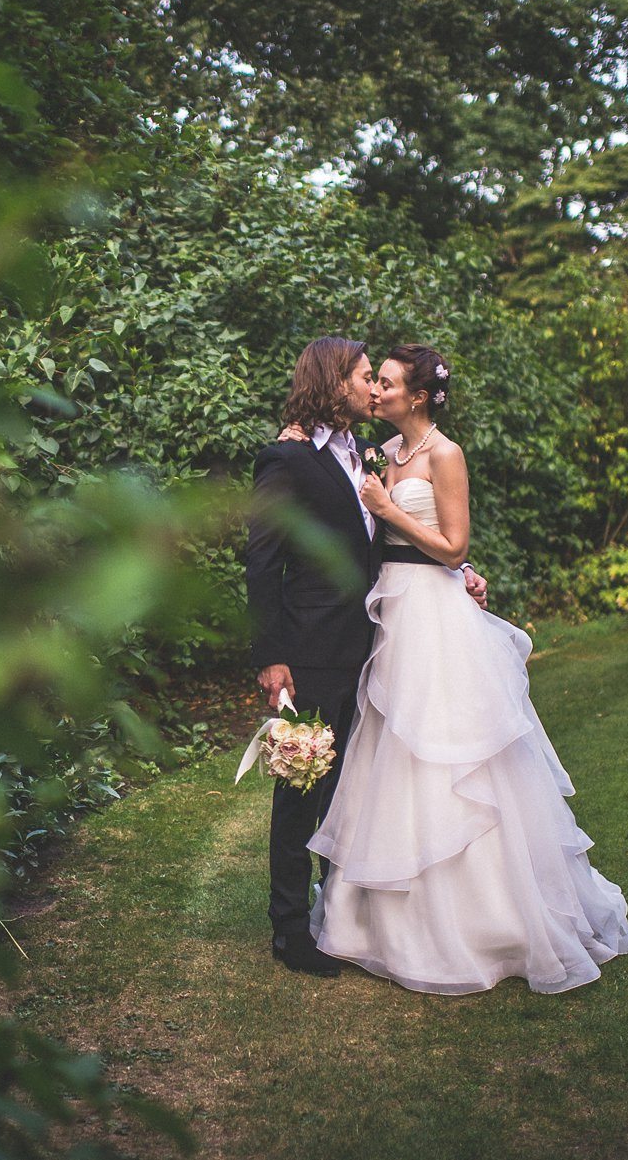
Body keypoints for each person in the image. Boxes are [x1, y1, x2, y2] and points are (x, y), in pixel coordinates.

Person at [302, 343, 628, 993]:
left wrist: (394, 513)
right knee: (388, 752)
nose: (378, 392)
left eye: (390, 383)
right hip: (390, 614)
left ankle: (486, 919)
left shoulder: (444, 454)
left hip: (435, 619)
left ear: (420, 395)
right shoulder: (382, 453)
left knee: (452, 756)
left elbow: (455, 543)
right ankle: (372, 919)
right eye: (378, 383)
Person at [244, 337, 488, 975]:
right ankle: (290, 932)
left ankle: (343, 917)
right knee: (302, 789)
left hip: (375, 640)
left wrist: (457, 572)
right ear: (335, 384)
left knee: (354, 790)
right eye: (362, 376)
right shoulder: (285, 460)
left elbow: (385, 542)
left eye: (378, 379)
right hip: (312, 649)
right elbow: (263, 564)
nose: (371, 387)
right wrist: (271, 657)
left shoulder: (366, 454)